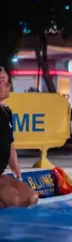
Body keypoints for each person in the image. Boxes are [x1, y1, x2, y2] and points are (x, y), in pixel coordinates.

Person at [0, 70, 39, 208]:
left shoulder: (6, 112)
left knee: (32, 198)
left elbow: (9, 145)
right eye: (1, 81)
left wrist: (18, 175)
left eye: (7, 80)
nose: (7, 85)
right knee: (17, 202)